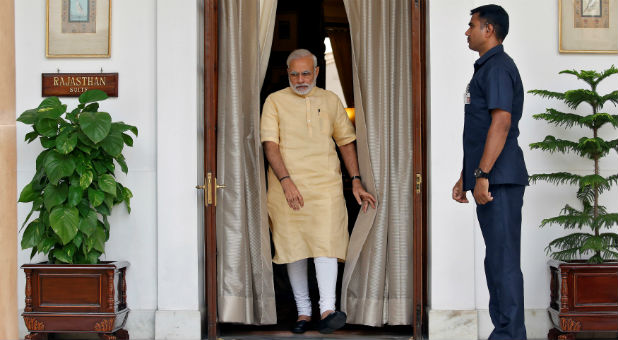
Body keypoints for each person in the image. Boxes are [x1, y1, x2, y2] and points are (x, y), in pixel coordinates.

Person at [261, 49, 376, 334]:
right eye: (294, 74)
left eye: (305, 73)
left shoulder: (330, 99)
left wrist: (357, 180)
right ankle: (303, 312)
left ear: (316, 72)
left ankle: (327, 309)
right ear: (287, 74)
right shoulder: (274, 101)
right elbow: (269, 145)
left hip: (326, 185)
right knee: (294, 248)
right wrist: (286, 181)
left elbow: (346, 141)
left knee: (326, 244)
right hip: (285, 186)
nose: (300, 79)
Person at [452, 5, 528, 340]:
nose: (466, 31)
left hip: (499, 178)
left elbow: (501, 122)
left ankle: (510, 336)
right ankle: (505, 333)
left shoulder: (497, 67)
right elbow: (481, 128)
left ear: (489, 29)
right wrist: (466, 175)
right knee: (496, 261)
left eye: (471, 26)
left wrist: (481, 173)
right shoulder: (487, 68)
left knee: (503, 261)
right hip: (490, 175)